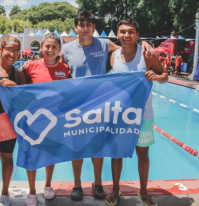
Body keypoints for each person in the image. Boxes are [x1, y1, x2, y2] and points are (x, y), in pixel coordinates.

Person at [60, 10, 154, 201]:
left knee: (98, 146)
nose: (85, 28)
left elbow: (124, 47)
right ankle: (77, 184)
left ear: (94, 27)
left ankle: (98, 183)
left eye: (89, 24)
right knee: (76, 147)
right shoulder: (67, 49)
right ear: (76, 27)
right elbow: (61, 74)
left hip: (100, 106)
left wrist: (144, 42)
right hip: (77, 107)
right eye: (81, 24)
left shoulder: (103, 44)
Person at [105, 19, 168, 206]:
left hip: (143, 114)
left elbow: (164, 75)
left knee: (143, 155)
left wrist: (157, 77)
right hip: (119, 115)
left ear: (137, 35)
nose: (127, 35)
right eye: (123, 32)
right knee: (116, 154)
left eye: (131, 32)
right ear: (117, 34)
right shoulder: (112, 56)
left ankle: (143, 191)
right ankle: (116, 190)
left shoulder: (146, 55)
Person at [22, 33, 71, 206]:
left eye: (54, 47)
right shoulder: (30, 66)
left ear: (59, 50)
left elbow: (70, 93)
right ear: (42, 47)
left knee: (51, 153)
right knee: (32, 155)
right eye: (47, 46)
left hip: (54, 120)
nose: (50, 50)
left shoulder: (64, 69)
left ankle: (48, 185)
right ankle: (32, 191)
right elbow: (21, 89)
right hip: (33, 120)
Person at [0, 36, 26, 206]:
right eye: (9, 49)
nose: (13, 54)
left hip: (7, 122)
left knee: (6, 157)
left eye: (16, 51)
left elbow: (26, 98)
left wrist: (15, 88)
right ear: (1, 49)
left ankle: (4, 190)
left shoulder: (18, 74)